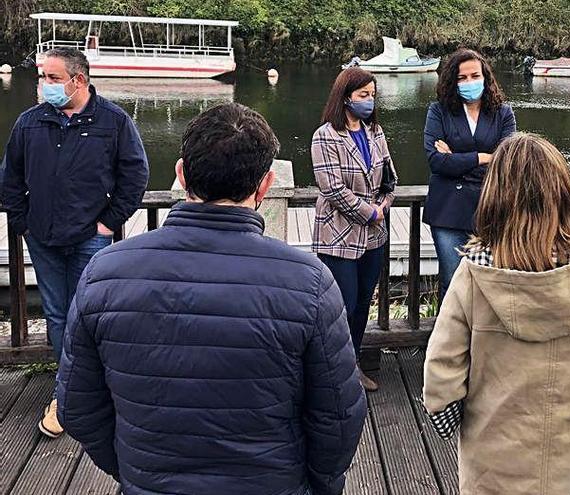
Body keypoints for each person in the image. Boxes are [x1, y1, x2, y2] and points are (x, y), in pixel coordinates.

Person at [56, 103, 367, 495]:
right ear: (264, 186)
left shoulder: (104, 272)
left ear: (181, 173)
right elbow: (339, 416)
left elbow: (77, 408)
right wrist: (316, 484)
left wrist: (132, 471)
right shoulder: (308, 282)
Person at [422, 133, 570, 494]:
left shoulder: (474, 275)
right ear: (564, 192)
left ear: (494, 197)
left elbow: (442, 379)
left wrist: (453, 424)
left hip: (493, 469)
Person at [0, 47, 149, 438]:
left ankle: (92, 390)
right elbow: (10, 177)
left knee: (89, 314)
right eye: (41, 77)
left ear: (77, 80)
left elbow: (135, 176)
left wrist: (108, 224)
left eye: (50, 77)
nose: (42, 84)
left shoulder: (114, 121)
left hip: (90, 239)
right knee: (56, 314)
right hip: (43, 240)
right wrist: (22, 222)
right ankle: (65, 393)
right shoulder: (29, 122)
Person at [311, 67, 397, 392]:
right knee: (340, 306)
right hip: (338, 235)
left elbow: (391, 177)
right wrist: (369, 212)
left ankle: (354, 364)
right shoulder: (325, 136)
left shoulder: (376, 132)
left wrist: (383, 206)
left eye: (373, 95)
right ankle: (329, 370)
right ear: (345, 97)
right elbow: (332, 188)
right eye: (363, 95)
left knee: (362, 303)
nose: (369, 101)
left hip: (374, 236)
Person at [423, 48, 516, 302]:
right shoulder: (438, 111)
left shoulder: (503, 113)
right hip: (448, 212)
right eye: (461, 78)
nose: (469, 82)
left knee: (490, 282)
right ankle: (448, 340)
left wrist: (456, 158)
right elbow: (436, 162)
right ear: (452, 82)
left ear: (485, 77)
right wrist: (481, 157)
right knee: (452, 282)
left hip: (490, 207)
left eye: (474, 76)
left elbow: (506, 161)